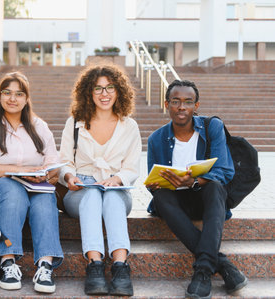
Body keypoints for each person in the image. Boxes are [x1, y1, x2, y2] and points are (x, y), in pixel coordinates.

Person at [146, 80, 248, 299]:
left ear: (196, 105)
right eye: (175, 101)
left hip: (207, 200)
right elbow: (152, 182)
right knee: (160, 197)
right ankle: (223, 265)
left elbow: (224, 170)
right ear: (167, 104)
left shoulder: (213, 127)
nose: (181, 107)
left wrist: (193, 182)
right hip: (175, 203)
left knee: (215, 187)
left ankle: (202, 271)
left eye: (187, 102)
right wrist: (156, 183)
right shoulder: (156, 138)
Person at [0, 72, 63, 293]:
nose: (13, 98)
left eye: (19, 94)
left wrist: (44, 176)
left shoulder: (39, 126)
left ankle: (45, 265)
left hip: (31, 193)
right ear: (0, 96)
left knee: (46, 195)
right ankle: (7, 261)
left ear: (27, 98)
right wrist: (15, 171)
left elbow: (53, 165)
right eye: (7, 93)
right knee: (12, 189)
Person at [59, 64, 141, 296]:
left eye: (109, 88)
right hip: (81, 189)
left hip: (116, 187)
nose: (104, 94)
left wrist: (117, 179)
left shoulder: (129, 126)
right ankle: (94, 265)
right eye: (98, 89)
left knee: (112, 198)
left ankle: (120, 266)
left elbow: (132, 167)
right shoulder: (74, 123)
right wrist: (69, 176)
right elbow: (64, 161)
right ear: (88, 92)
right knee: (93, 194)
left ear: (119, 91)